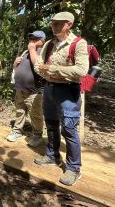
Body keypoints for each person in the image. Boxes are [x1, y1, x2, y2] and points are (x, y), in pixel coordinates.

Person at [34, 11, 89, 186]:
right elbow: (38, 65)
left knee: (69, 129)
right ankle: (52, 156)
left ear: (69, 25)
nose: (54, 25)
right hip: (49, 89)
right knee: (50, 124)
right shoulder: (49, 44)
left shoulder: (78, 44)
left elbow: (81, 71)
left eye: (59, 23)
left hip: (68, 91)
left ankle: (73, 168)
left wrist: (53, 70)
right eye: (53, 23)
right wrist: (44, 70)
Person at [6, 31, 46, 147]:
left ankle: (37, 135)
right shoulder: (25, 52)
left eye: (35, 39)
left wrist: (33, 50)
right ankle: (17, 131)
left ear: (42, 41)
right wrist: (15, 64)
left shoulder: (43, 52)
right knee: (20, 111)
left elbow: (39, 66)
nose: (31, 41)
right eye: (30, 38)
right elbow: (18, 67)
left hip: (35, 91)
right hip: (20, 89)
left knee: (36, 115)